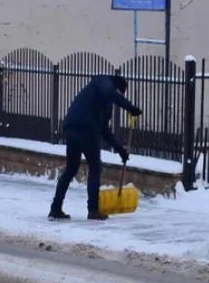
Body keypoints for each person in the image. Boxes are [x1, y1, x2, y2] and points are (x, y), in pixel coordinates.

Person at [49, 74, 143, 221]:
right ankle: (93, 210)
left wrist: (120, 150)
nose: (116, 97)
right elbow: (109, 93)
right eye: (118, 93)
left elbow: (104, 130)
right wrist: (130, 107)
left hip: (72, 126)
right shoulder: (104, 82)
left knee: (71, 169)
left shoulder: (103, 103)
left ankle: (55, 208)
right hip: (85, 128)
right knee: (95, 167)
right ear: (116, 87)